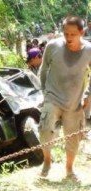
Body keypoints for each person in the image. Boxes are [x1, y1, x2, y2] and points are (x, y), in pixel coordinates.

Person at [38, 15, 91, 182]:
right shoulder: (53, 46)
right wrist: (45, 91)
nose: (68, 37)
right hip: (53, 96)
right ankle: (47, 160)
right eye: (66, 33)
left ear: (82, 32)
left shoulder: (89, 50)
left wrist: (88, 93)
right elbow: (44, 69)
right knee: (45, 129)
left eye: (73, 34)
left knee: (73, 138)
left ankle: (69, 168)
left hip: (75, 101)